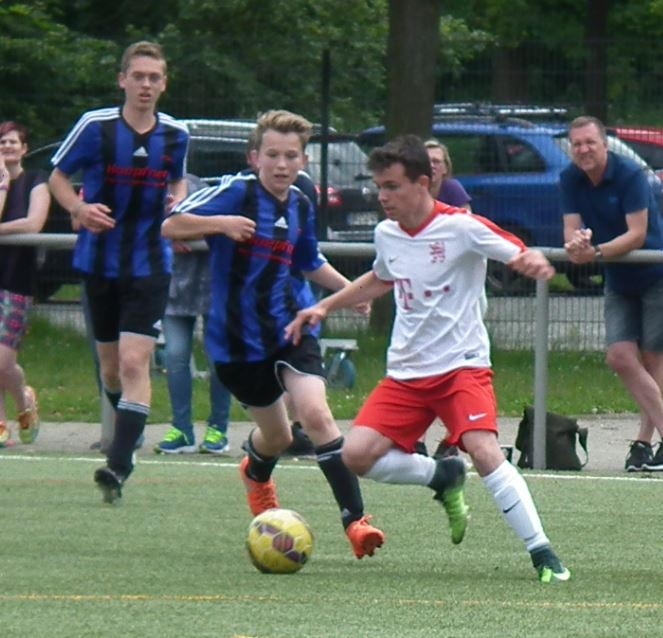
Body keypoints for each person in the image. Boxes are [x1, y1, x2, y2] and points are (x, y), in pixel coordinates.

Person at [286, 134, 571, 583]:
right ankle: (441, 475)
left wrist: (530, 260)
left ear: (423, 183)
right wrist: (326, 305)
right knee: (356, 455)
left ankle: (542, 553)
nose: (383, 196)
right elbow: (381, 277)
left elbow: (514, 248)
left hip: (461, 366)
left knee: (483, 450)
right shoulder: (387, 233)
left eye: (392, 186)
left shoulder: (461, 227)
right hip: (407, 372)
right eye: (379, 187)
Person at [161, 109, 388, 559]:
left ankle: (356, 522)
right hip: (237, 342)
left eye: (290, 156)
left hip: (292, 326)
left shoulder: (301, 202)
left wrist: (347, 292)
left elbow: (308, 261)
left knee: (316, 415)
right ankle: (255, 471)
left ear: (304, 160)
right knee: (279, 439)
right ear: (254, 157)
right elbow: (170, 225)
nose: (281, 164)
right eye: (272, 155)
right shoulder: (235, 192)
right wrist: (221, 224)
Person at [48, 41, 189, 502]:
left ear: (164, 84)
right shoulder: (96, 126)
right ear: (122, 80)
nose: (146, 85)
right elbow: (57, 177)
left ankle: (119, 464)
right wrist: (78, 209)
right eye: (139, 76)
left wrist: (178, 200)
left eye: (154, 77)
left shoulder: (176, 134)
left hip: (151, 263)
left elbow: (178, 179)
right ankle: (130, 422)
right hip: (98, 262)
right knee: (111, 369)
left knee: (133, 362)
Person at [561, 115, 663, 473]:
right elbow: (571, 231)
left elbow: (637, 233)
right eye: (577, 144)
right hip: (619, 278)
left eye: (590, 142)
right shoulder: (570, 178)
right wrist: (577, 246)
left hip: (655, 271)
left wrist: (596, 253)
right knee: (620, 356)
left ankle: (644, 444)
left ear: (605, 145)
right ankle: (652, 442)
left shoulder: (630, 174)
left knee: (653, 359)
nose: (584, 150)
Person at [154, 232, 233, 455]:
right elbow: (162, 224)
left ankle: (218, 428)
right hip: (175, 279)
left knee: (218, 358)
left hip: (218, 279)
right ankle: (182, 429)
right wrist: (171, 232)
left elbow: (231, 225)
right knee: (175, 355)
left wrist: (187, 229)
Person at [0, 121, 50, 447]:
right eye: (2, 142)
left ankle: (24, 400)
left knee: (3, 361)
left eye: (13, 142)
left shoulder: (36, 180)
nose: (7, 147)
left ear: (24, 148)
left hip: (17, 280)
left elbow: (33, 223)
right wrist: (2, 185)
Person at [425, 138, 472, 210]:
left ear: (445, 168)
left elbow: (467, 215)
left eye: (436, 161)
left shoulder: (453, 188)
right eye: (426, 161)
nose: (431, 165)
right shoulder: (413, 190)